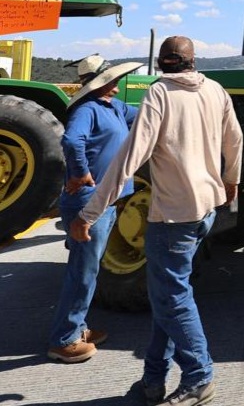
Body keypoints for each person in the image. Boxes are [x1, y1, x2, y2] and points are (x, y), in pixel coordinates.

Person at [70, 36, 243, 406]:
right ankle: (152, 380)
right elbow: (235, 140)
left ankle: (199, 377)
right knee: (165, 296)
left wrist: (89, 213)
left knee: (173, 299)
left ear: (162, 63)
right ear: (194, 60)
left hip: (174, 216)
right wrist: (231, 182)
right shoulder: (215, 90)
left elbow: (129, 159)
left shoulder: (160, 94)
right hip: (206, 210)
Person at [47, 55, 143, 363]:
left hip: (106, 200)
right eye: (112, 82)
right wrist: (79, 172)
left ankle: (78, 328)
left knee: (89, 269)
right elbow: (72, 140)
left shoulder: (114, 107)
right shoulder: (87, 109)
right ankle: (63, 341)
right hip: (88, 201)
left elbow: (145, 116)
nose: (116, 87)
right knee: (82, 273)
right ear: (98, 84)